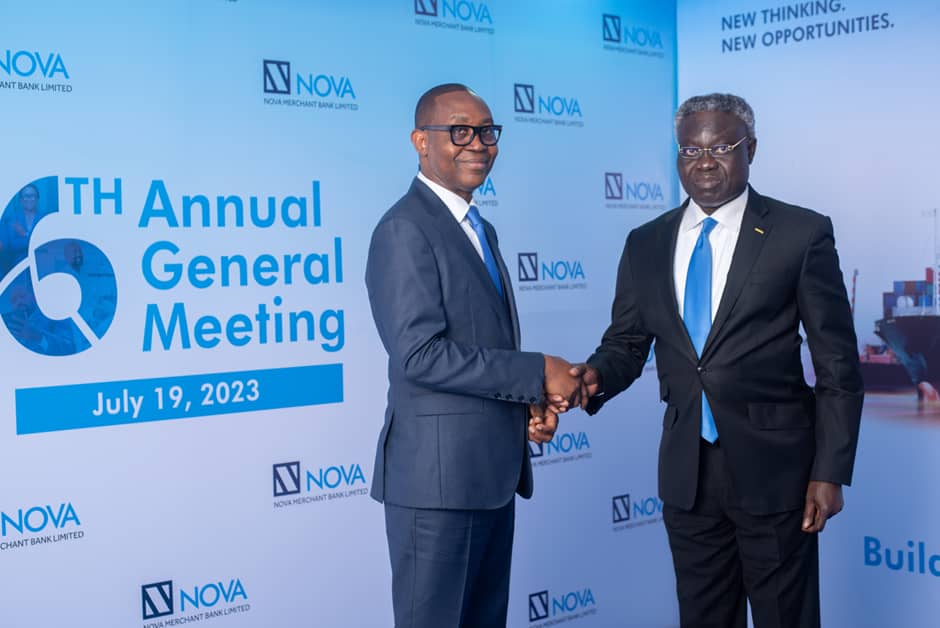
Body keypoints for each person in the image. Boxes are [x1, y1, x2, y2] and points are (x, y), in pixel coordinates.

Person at [573, 93, 863, 627]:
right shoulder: (645, 243)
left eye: (721, 147)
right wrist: (590, 379)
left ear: (751, 149)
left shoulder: (800, 234)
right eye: (690, 150)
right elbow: (626, 345)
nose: (704, 162)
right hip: (688, 475)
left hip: (778, 474)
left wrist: (829, 471)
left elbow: (838, 367)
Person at [365, 83, 579, 628]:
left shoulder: (480, 228)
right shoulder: (404, 229)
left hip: (489, 477)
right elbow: (420, 354)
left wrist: (526, 403)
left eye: (487, 131)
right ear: (421, 141)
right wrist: (537, 372)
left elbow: (482, 345)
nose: (478, 143)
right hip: (436, 486)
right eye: (459, 131)